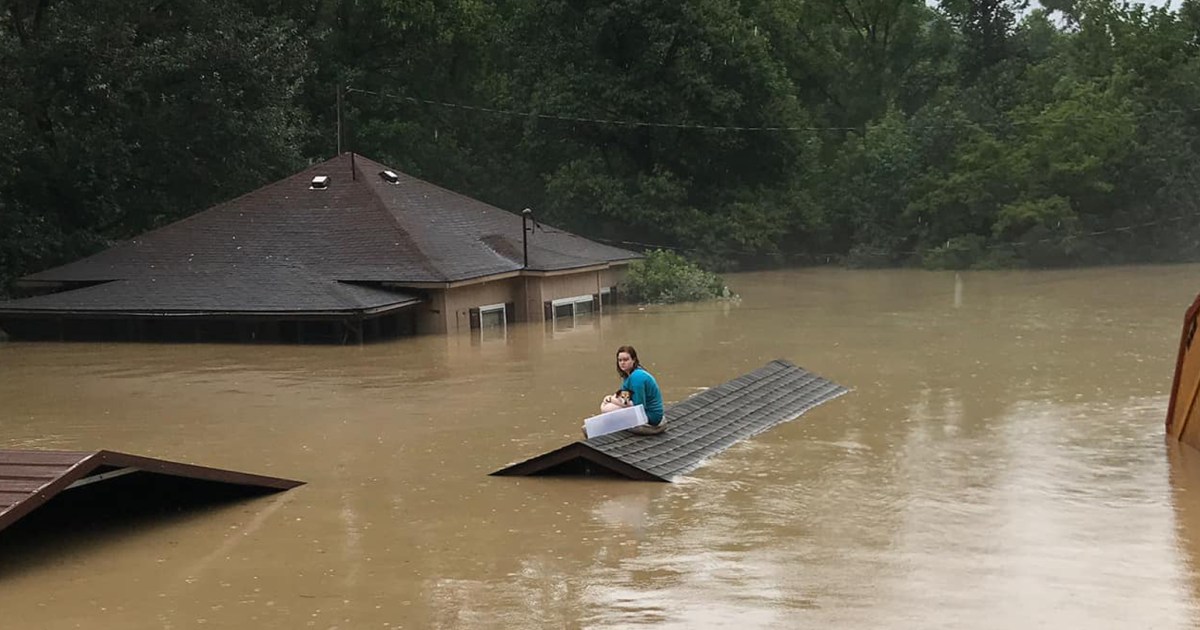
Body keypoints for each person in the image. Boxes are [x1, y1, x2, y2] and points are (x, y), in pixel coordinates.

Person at [613, 345, 666, 435]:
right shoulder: (628, 376)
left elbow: (639, 406)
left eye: (626, 360)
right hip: (646, 412)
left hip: (651, 417)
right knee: (607, 405)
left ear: (633, 360)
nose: (622, 363)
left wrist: (613, 400)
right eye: (620, 360)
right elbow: (625, 396)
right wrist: (613, 398)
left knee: (609, 408)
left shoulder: (637, 377)